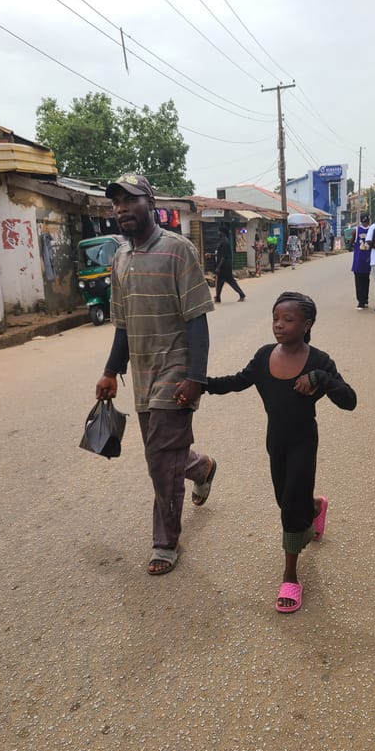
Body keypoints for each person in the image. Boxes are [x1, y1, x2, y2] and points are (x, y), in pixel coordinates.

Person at [95, 173, 218, 576]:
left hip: (176, 370)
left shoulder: (178, 250)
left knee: (161, 461)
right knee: (160, 457)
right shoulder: (120, 259)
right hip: (143, 376)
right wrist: (111, 371)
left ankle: (165, 542)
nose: (122, 210)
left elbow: (197, 320)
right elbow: (123, 325)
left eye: (129, 201)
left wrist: (196, 376)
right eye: (116, 204)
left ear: (150, 201)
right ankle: (200, 466)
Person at [204, 292, 357, 613]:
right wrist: (200, 384)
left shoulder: (319, 362)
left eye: (288, 320)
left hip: (304, 440)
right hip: (276, 441)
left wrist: (322, 378)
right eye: (276, 318)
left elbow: (349, 400)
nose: (279, 325)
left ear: (307, 324)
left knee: (288, 507)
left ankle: (290, 576)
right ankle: (315, 506)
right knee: (286, 497)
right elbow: (236, 381)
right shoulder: (263, 357)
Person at [215, 226, 246, 302]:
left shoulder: (225, 242)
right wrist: (212, 255)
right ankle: (218, 297)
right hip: (224, 266)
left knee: (230, 281)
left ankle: (241, 294)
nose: (218, 233)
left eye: (219, 231)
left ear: (222, 233)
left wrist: (218, 267)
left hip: (225, 266)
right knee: (220, 282)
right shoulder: (223, 241)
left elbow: (223, 257)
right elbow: (220, 254)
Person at [350, 213, 371, 309]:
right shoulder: (372, 230)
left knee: (358, 282)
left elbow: (351, 243)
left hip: (358, 261)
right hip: (368, 260)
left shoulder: (356, 230)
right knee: (366, 280)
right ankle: (365, 300)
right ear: (369, 220)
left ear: (361, 221)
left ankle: (360, 302)